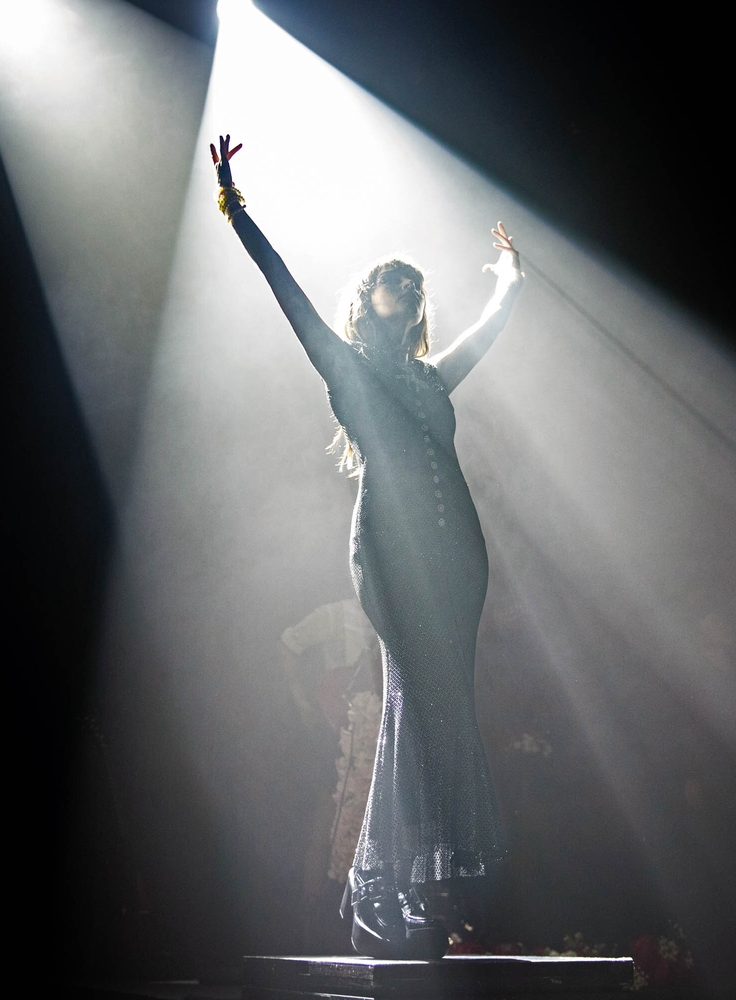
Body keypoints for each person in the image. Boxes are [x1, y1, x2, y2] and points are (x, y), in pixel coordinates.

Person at [210, 134, 523, 959]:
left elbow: (489, 331)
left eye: (417, 289)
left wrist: (510, 280)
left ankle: (433, 887)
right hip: (390, 555)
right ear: (371, 297)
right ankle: (405, 891)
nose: (410, 294)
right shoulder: (344, 367)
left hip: (459, 560)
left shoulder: (431, 375)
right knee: (419, 700)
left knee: (445, 706)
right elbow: (286, 292)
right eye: (395, 283)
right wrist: (235, 208)